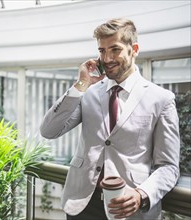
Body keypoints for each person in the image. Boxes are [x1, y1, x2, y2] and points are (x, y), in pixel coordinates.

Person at [40, 18, 180, 220]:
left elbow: (168, 166)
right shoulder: (88, 92)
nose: (107, 58)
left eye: (115, 49)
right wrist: (81, 84)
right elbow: (49, 130)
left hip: (129, 209)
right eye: (102, 51)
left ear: (135, 49)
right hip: (82, 205)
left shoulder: (161, 99)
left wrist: (142, 195)